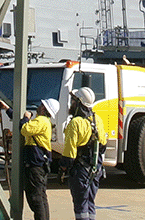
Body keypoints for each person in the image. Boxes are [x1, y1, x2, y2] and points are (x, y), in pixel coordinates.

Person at [0, 97, 60, 220]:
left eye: (41, 104)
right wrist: (7, 109)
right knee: (41, 197)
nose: (39, 106)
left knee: (36, 199)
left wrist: (26, 117)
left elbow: (24, 128)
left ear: (44, 109)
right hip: (40, 164)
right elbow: (23, 124)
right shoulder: (43, 121)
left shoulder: (41, 120)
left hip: (35, 165)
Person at [61, 87, 106, 220]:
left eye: (74, 100)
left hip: (81, 171)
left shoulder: (75, 123)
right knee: (90, 203)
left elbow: (69, 153)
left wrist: (63, 168)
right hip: (95, 169)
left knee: (80, 206)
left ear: (79, 103)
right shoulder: (98, 119)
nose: (71, 103)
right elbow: (103, 145)